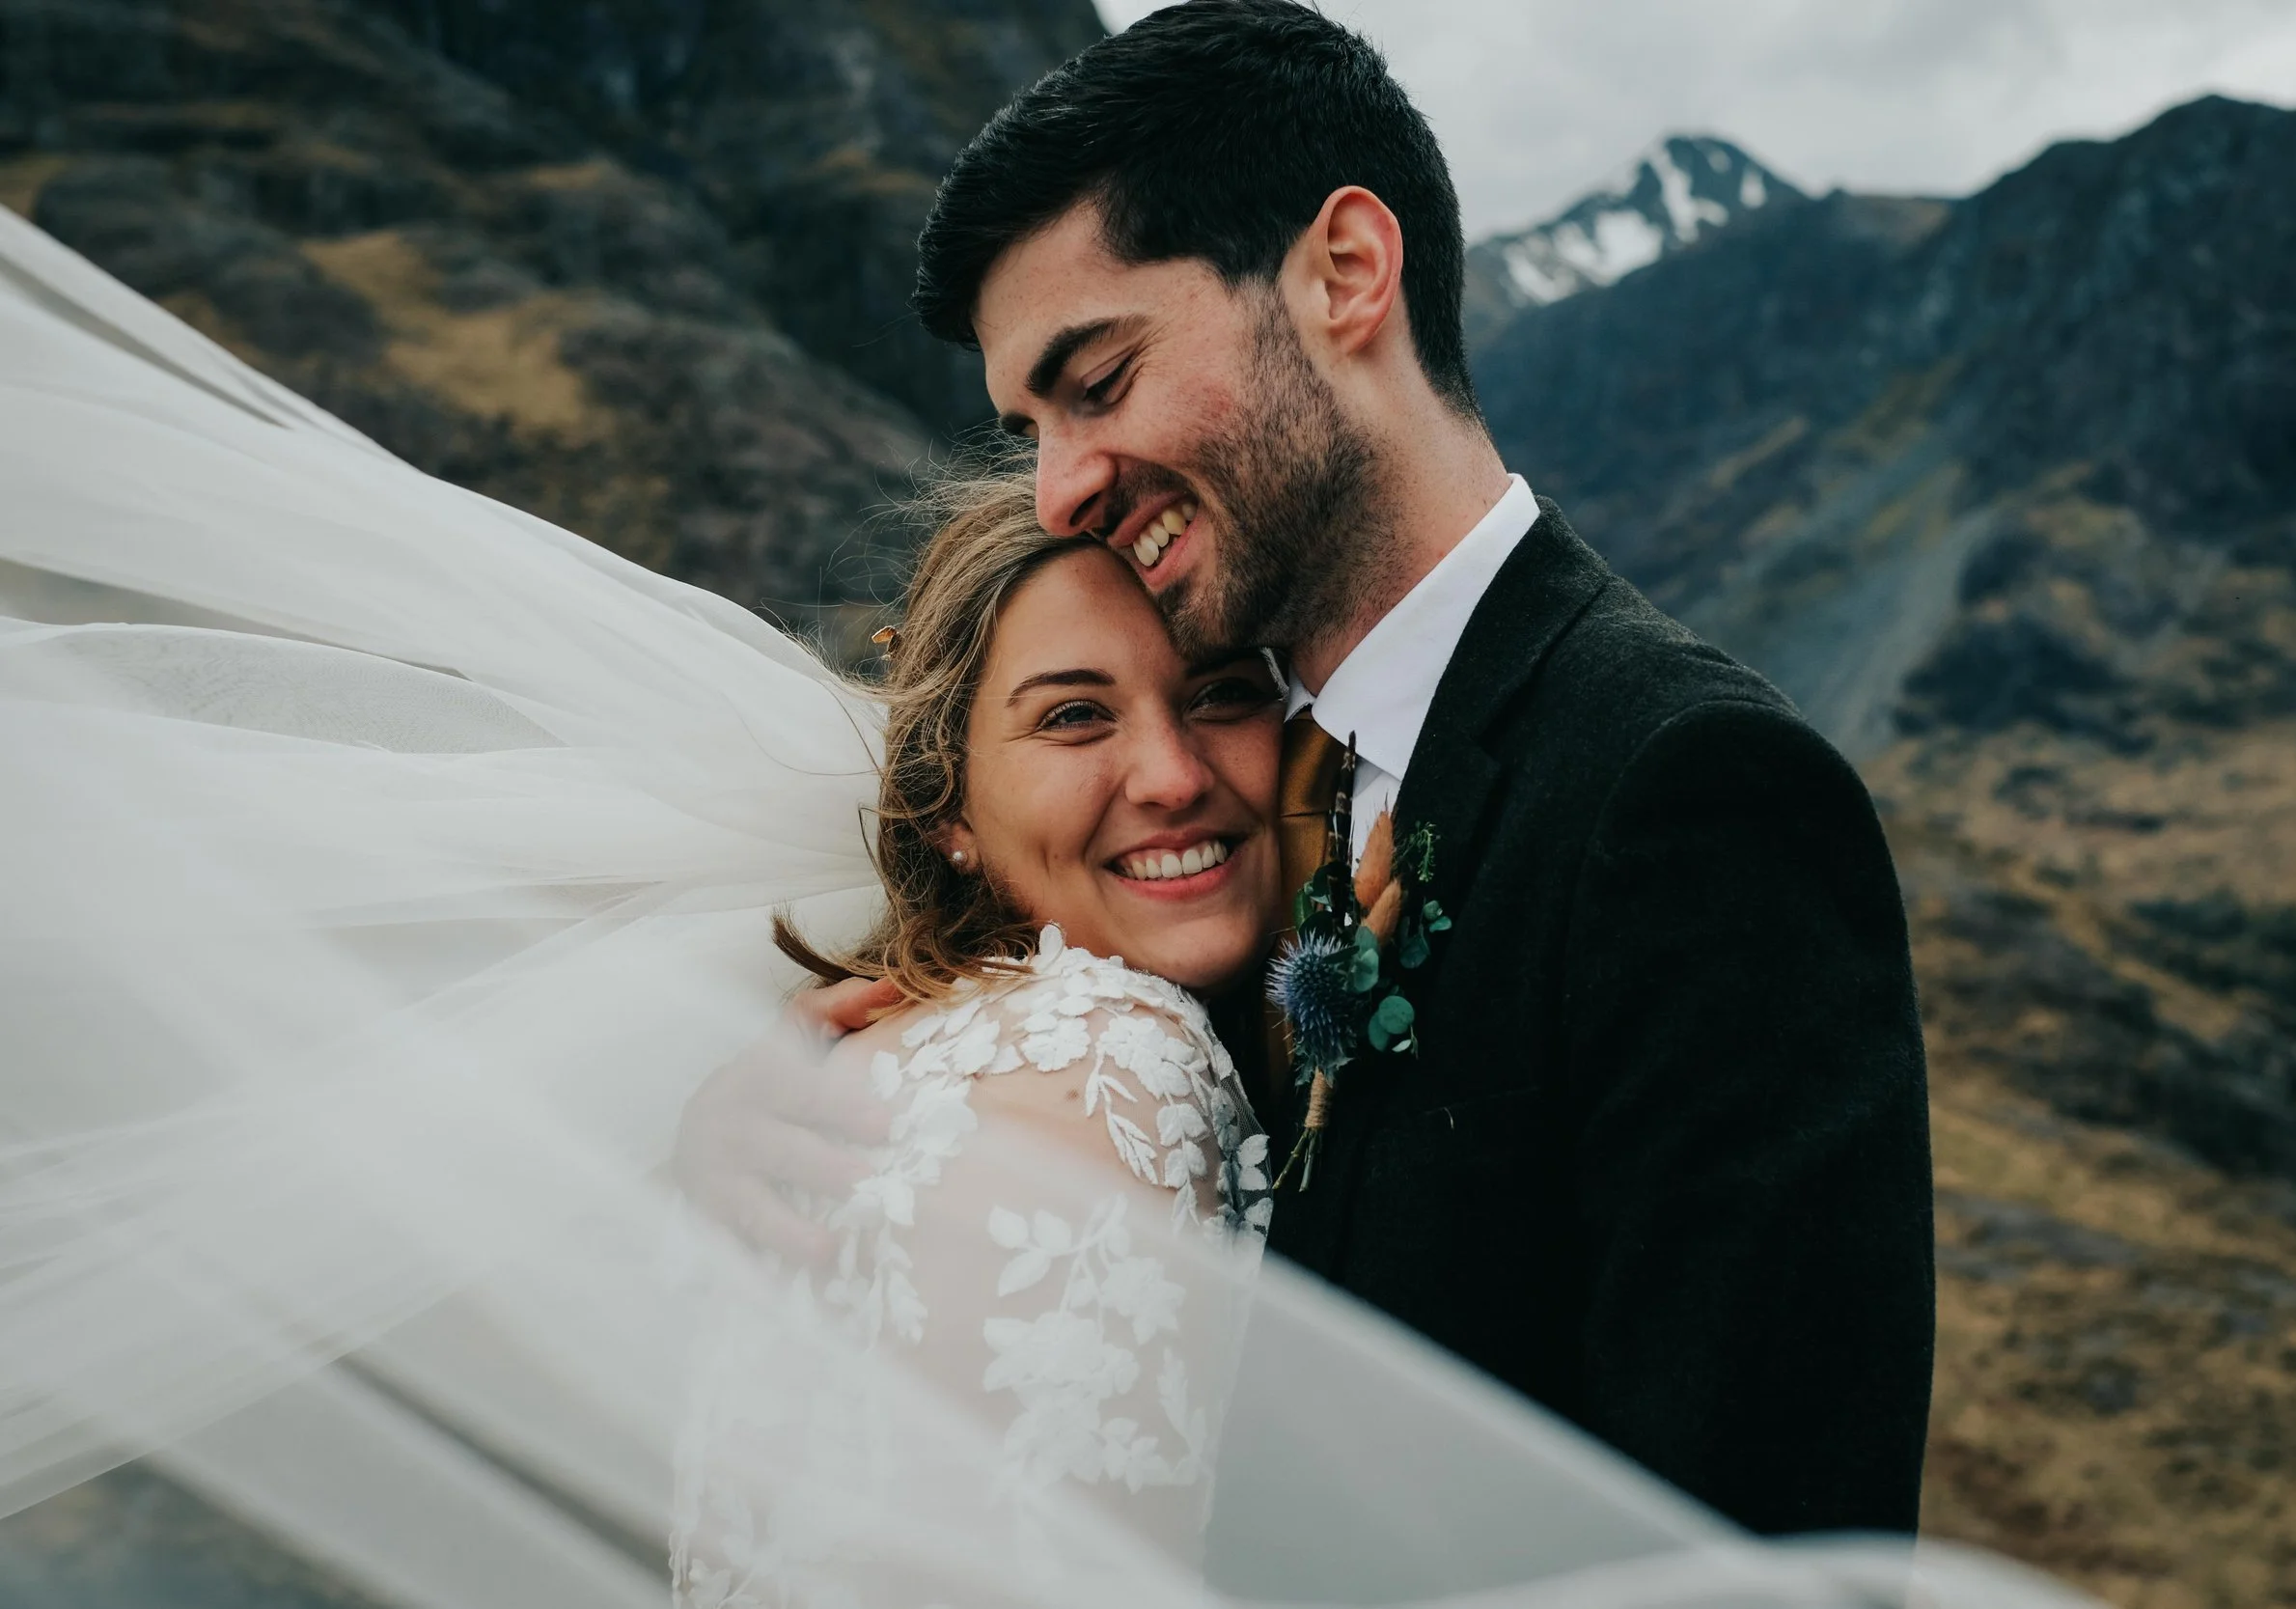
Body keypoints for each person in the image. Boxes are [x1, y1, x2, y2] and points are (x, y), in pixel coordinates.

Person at [696, 0, 1937, 1540]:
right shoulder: (1244, 793)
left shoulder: (1685, 793)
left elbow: (1765, 1536)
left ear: (1347, 271)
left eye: (1098, 380)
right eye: (1031, 424)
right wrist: (807, 1111)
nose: (1064, 485)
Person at [670, 472, 1286, 1604]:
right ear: (949, 806)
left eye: (1221, 692)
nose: (1172, 775)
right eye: (1072, 715)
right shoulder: (1106, 1060)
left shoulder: (910, 1056)